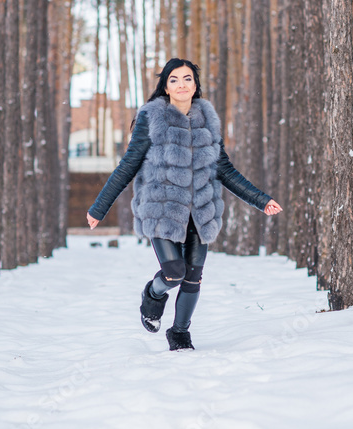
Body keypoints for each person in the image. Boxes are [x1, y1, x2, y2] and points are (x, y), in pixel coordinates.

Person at [86, 58, 282, 351]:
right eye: (174, 79)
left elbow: (224, 170)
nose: (181, 84)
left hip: (200, 213)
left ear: (195, 84)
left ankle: (179, 333)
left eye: (187, 78)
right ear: (165, 85)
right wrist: (99, 208)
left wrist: (261, 200)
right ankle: (153, 295)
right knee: (174, 271)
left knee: (193, 277)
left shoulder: (208, 120)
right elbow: (128, 165)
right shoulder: (151, 117)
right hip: (161, 210)